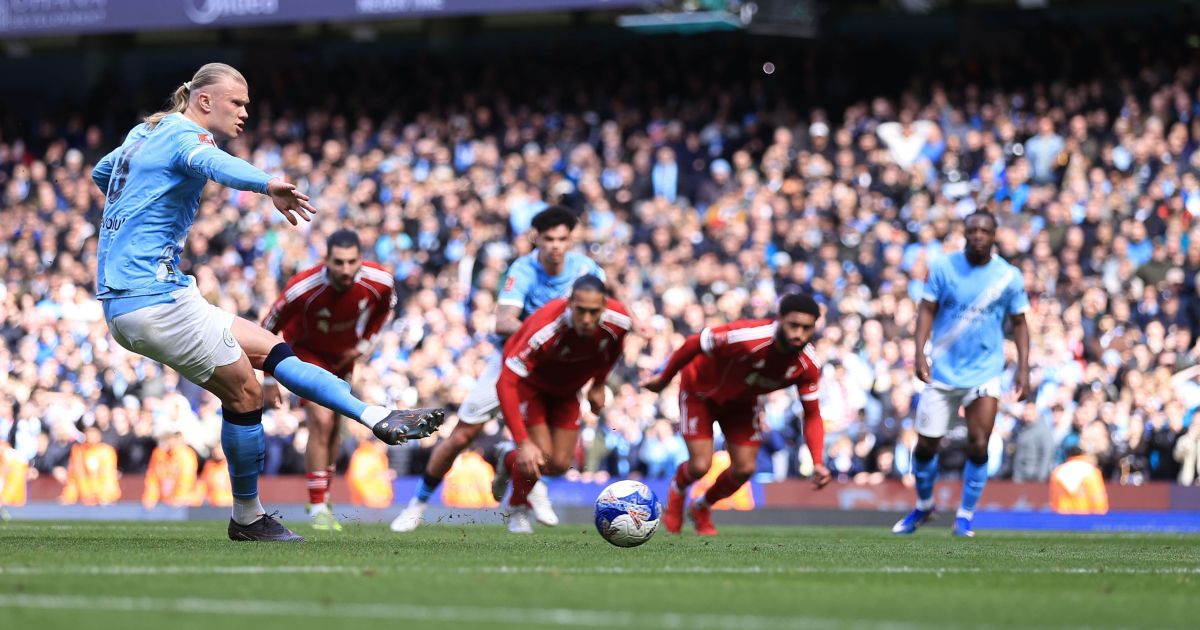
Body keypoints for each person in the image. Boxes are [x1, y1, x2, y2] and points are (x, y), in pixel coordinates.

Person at [91, 63, 443, 542]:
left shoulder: (144, 132)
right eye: (237, 104)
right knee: (245, 395)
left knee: (273, 351)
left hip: (146, 295)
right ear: (204, 101)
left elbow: (102, 172)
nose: (244, 113)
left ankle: (374, 414)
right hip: (150, 297)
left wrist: (137, 214)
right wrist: (268, 184)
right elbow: (215, 164)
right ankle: (248, 517)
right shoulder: (186, 138)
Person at [391, 206, 604, 532]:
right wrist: (547, 329)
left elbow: (605, 307)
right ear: (536, 239)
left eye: (562, 239)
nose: (556, 246)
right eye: (548, 239)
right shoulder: (522, 269)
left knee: (557, 460)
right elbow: (503, 321)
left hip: (554, 369)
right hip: (512, 361)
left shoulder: (586, 270)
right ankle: (417, 505)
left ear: (571, 239)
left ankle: (512, 473)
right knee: (462, 435)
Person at [642, 293, 832, 537]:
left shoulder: (808, 364)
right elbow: (695, 341)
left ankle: (702, 506)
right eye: (794, 325)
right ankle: (677, 492)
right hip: (699, 390)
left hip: (741, 402)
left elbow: (812, 414)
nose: (799, 334)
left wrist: (817, 462)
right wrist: (664, 378)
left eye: (807, 328)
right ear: (780, 319)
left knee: (745, 468)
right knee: (700, 465)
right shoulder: (747, 336)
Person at [893, 210, 1030, 538]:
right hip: (943, 370)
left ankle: (965, 517)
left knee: (979, 443)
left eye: (985, 230)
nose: (979, 235)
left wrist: (1023, 367)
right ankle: (925, 506)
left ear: (994, 234)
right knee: (926, 445)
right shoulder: (942, 267)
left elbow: (1021, 323)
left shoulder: (1008, 277)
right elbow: (926, 311)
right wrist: (919, 352)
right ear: (965, 233)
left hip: (986, 371)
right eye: (973, 230)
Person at [262, 229, 396, 531]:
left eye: (352, 262)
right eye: (339, 262)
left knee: (336, 426)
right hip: (306, 355)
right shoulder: (303, 289)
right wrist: (269, 378)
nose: (346, 270)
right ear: (327, 261)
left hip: (343, 358)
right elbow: (269, 324)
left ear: (360, 260)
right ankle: (318, 505)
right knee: (321, 420)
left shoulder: (380, 282)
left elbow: (385, 309)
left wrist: (363, 345)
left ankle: (322, 495)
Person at [491, 275, 630, 533]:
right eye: (580, 311)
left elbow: (614, 346)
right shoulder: (546, 328)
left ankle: (507, 457)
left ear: (604, 307)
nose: (587, 319)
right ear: (569, 304)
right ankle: (518, 508)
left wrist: (599, 384)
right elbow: (505, 383)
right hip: (531, 387)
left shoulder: (619, 321)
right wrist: (523, 443)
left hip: (567, 391)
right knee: (537, 456)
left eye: (593, 312)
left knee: (558, 465)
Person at [1049, 446, 1109, 514]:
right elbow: (1098, 498)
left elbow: (1053, 499)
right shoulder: (1091, 471)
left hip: (1064, 518)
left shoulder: (1057, 472)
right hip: (1085, 517)